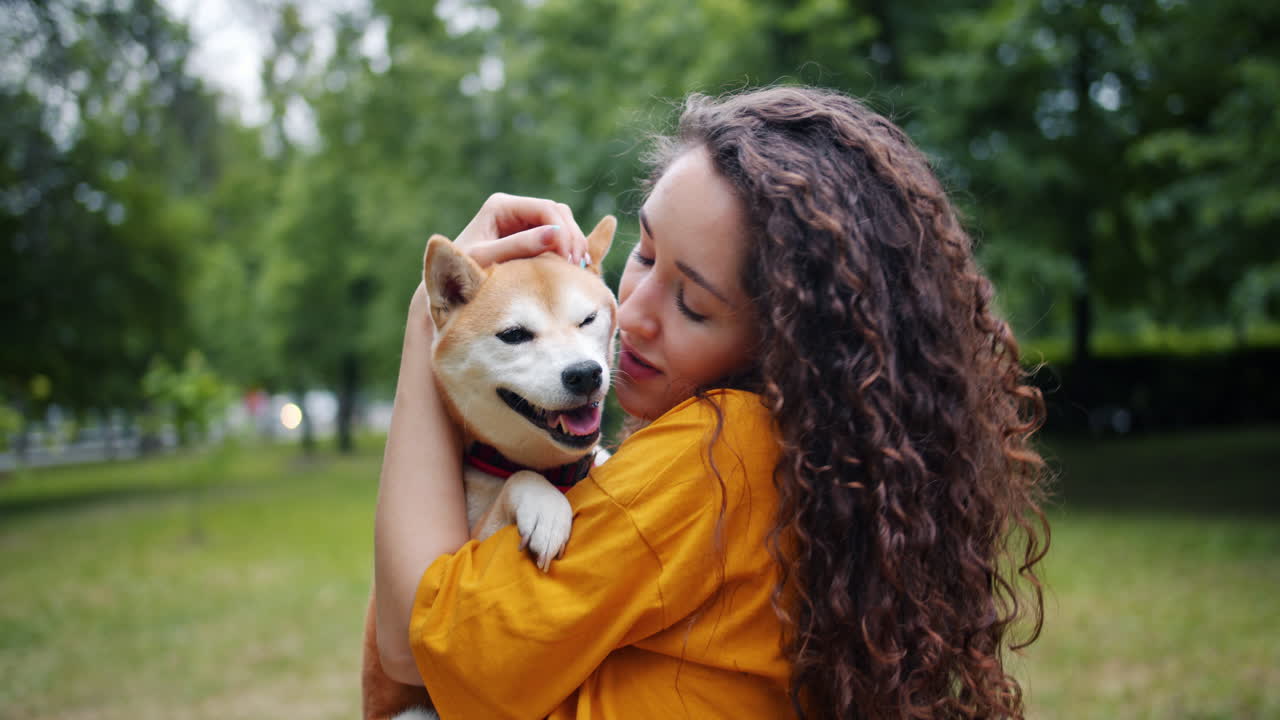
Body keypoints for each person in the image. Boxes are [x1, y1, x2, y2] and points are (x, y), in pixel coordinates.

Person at [373, 86, 1050, 720]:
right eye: (642, 253)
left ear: (784, 346)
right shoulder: (815, 463)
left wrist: (424, 325)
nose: (628, 314)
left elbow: (425, 645)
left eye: (692, 305)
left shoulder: (714, 452)